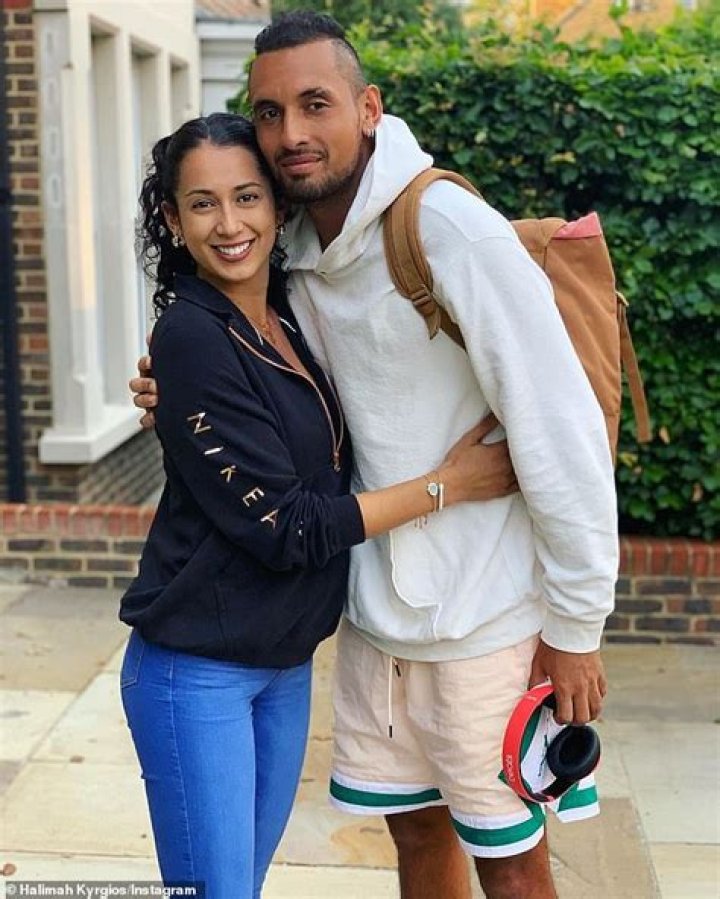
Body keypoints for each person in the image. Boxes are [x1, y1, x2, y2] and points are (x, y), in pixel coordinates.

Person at [131, 12, 618, 899]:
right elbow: (266, 384)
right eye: (270, 112)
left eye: (315, 103)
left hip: (486, 620)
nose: (291, 132)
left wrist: (577, 626)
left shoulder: (449, 230)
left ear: (368, 108)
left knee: (513, 868)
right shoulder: (294, 252)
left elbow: (561, 430)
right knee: (417, 842)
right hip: (374, 618)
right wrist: (182, 386)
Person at [119, 111, 516, 899]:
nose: (229, 224)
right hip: (196, 671)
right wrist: (451, 484)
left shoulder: (288, 313)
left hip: (283, 662)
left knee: (241, 883)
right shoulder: (193, 337)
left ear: (277, 205)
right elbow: (290, 526)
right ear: (173, 218)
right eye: (202, 203)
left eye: (246, 197)